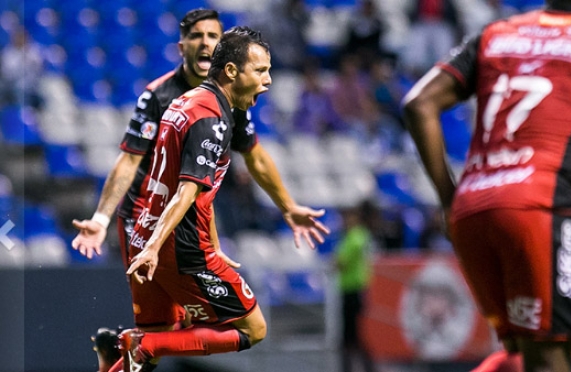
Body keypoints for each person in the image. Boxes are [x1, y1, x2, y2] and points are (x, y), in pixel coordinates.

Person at [401, 0, 571, 370]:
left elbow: (419, 103)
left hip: (473, 207)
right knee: (549, 356)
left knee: (518, 353)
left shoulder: (496, 34)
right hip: (537, 208)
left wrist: (448, 199)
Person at [118, 26, 328, 372]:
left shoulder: (185, 102)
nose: (269, 80)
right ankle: (144, 345)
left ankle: (138, 349)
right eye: (261, 70)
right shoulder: (211, 120)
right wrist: (156, 247)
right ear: (232, 71)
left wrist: (206, 244)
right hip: (178, 248)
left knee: (152, 351)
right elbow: (186, 191)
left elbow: (200, 189)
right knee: (253, 328)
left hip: (148, 233)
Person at [70, 9, 230, 371]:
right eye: (197, 36)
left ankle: (121, 349)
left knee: (161, 339)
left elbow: (236, 165)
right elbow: (129, 160)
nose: (205, 43)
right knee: (202, 330)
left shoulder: (228, 100)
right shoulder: (158, 96)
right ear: (181, 46)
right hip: (147, 223)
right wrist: (100, 217)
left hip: (188, 227)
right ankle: (126, 347)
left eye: (213, 36)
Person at [334, 202, 376, 372]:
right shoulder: (355, 237)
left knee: (352, 335)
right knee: (352, 335)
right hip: (351, 289)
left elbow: (340, 262)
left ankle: (358, 368)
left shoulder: (355, 237)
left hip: (353, 289)